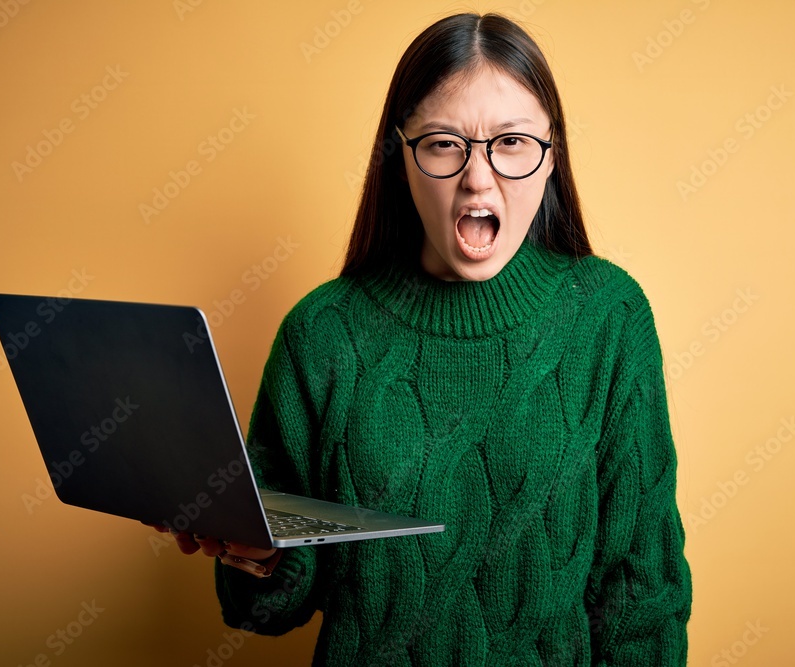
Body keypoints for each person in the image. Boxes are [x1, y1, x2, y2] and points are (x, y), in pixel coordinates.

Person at [155, 11, 692, 665]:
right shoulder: (321, 334)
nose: (479, 177)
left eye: (513, 143)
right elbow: (269, 611)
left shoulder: (609, 317)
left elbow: (642, 602)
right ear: (400, 158)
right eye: (443, 143)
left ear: (552, 158)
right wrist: (256, 559)